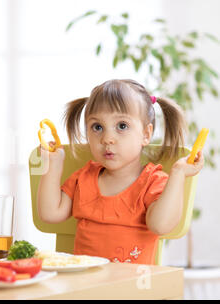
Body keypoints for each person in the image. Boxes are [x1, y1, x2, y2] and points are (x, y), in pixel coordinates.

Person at [37, 79, 204, 264]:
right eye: (97, 127)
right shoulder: (84, 177)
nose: (107, 138)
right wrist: (53, 165)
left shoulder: (152, 182)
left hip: (131, 289)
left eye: (122, 126)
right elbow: (50, 213)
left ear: (146, 134)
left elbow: (160, 225)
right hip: (86, 287)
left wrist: (178, 173)